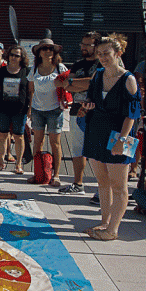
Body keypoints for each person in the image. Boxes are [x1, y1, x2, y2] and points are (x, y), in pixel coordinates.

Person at [81, 34, 140, 241]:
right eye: (99, 54)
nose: (102, 57)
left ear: (118, 53)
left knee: (119, 185)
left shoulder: (128, 79)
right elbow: (91, 97)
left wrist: (122, 140)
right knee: (102, 181)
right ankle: (105, 222)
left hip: (121, 134)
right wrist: (88, 104)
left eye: (106, 53)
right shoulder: (97, 75)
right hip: (97, 130)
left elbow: (132, 114)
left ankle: (113, 229)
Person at [55, 31, 101, 194]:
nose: (83, 47)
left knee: (97, 149)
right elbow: (65, 84)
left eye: (87, 44)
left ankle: (100, 188)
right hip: (76, 110)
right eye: (82, 44)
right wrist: (80, 83)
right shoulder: (78, 64)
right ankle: (78, 183)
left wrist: (75, 83)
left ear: (96, 45)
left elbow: (95, 83)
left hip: (97, 112)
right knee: (77, 148)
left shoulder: (102, 64)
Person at [27, 39, 69, 187]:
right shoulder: (34, 68)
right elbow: (31, 90)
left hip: (55, 110)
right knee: (37, 142)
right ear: (39, 52)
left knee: (55, 143)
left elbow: (68, 85)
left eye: (50, 49)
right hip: (38, 110)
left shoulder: (60, 67)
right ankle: (38, 173)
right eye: (44, 49)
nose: (47, 52)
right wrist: (30, 108)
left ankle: (56, 175)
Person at [0, 45, 30, 174]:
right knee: (2, 135)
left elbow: (31, 91)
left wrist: (30, 108)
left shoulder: (27, 71)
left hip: (20, 109)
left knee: (19, 137)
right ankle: (1, 162)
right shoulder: (1, 71)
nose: (14, 57)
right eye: (12, 54)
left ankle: (18, 164)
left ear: (21, 57)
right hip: (3, 108)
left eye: (17, 55)